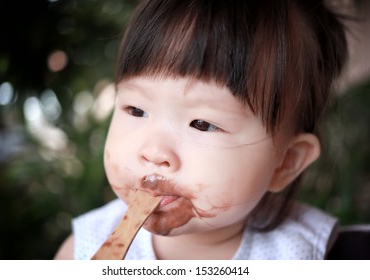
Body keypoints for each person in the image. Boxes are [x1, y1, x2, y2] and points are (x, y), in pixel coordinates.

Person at [55, 0, 348, 260]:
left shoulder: (307, 255)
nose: (154, 152)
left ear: (285, 162)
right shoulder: (84, 249)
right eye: (136, 110)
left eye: (203, 124)